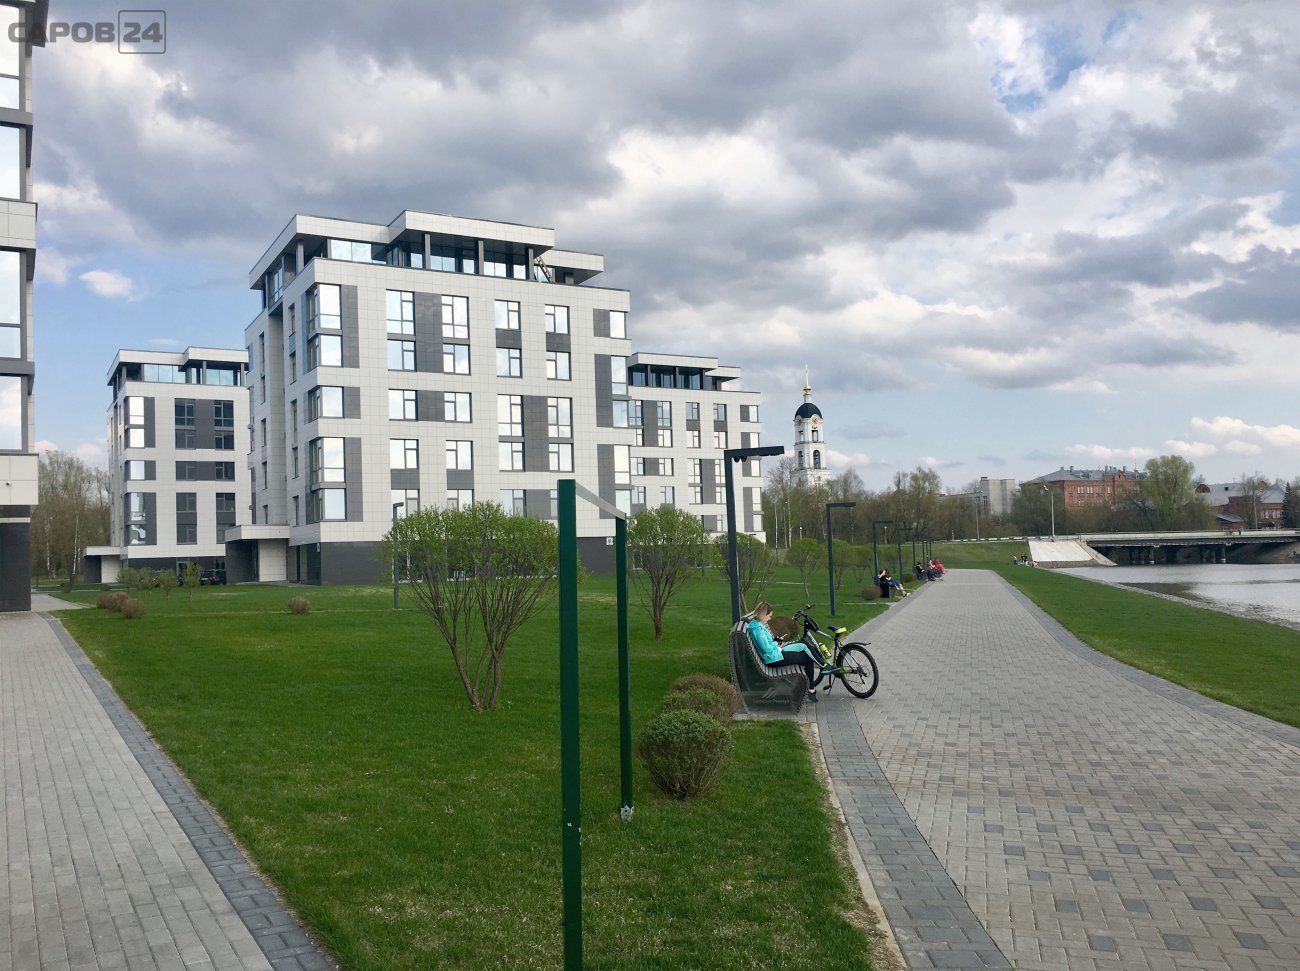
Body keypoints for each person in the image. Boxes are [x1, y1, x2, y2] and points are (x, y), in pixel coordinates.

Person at [747, 601, 827, 704]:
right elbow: (766, 649)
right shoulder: (757, 630)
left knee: (804, 644)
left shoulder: (756, 625)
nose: (770, 619)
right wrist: (776, 643)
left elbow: (766, 644)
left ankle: (818, 674)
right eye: (769, 616)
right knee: (807, 658)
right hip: (774, 659)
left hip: (775, 653)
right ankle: (815, 681)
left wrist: (776, 640)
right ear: (762, 615)